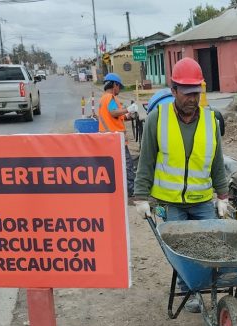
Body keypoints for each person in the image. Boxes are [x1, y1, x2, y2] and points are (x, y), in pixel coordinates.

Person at [133, 57, 229, 312]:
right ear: (173, 90)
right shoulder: (157, 118)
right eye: (186, 93)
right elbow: (146, 161)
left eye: (195, 93)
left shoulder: (211, 121)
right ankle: (191, 291)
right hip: (170, 201)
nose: (191, 99)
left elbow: (217, 162)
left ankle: (205, 286)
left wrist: (222, 196)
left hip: (201, 200)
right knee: (182, 250)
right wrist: (141, 197)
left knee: (209, 244)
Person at [98, 72, 136, 197]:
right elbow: (114, 112)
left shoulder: (105, 98)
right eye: (119, 86)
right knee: (128, 166)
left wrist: (128, 115)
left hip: (109, 139)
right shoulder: (110, 97)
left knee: (116, 166)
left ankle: (120, 189)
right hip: (116, 140)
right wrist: (128, 109)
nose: (119, 89)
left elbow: (116, 116)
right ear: (114, 84)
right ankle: (131, 191)